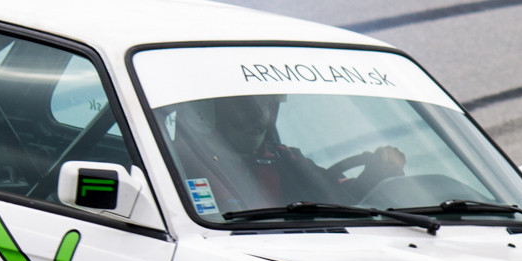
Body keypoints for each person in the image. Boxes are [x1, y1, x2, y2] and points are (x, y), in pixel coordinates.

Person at [171, 94, 405, 213]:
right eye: (243, 105)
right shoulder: (176, 163)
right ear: (203, 111)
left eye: (265, 104)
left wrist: (374, 176)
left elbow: (337, 198)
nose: (258, 115)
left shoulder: (285, 159)